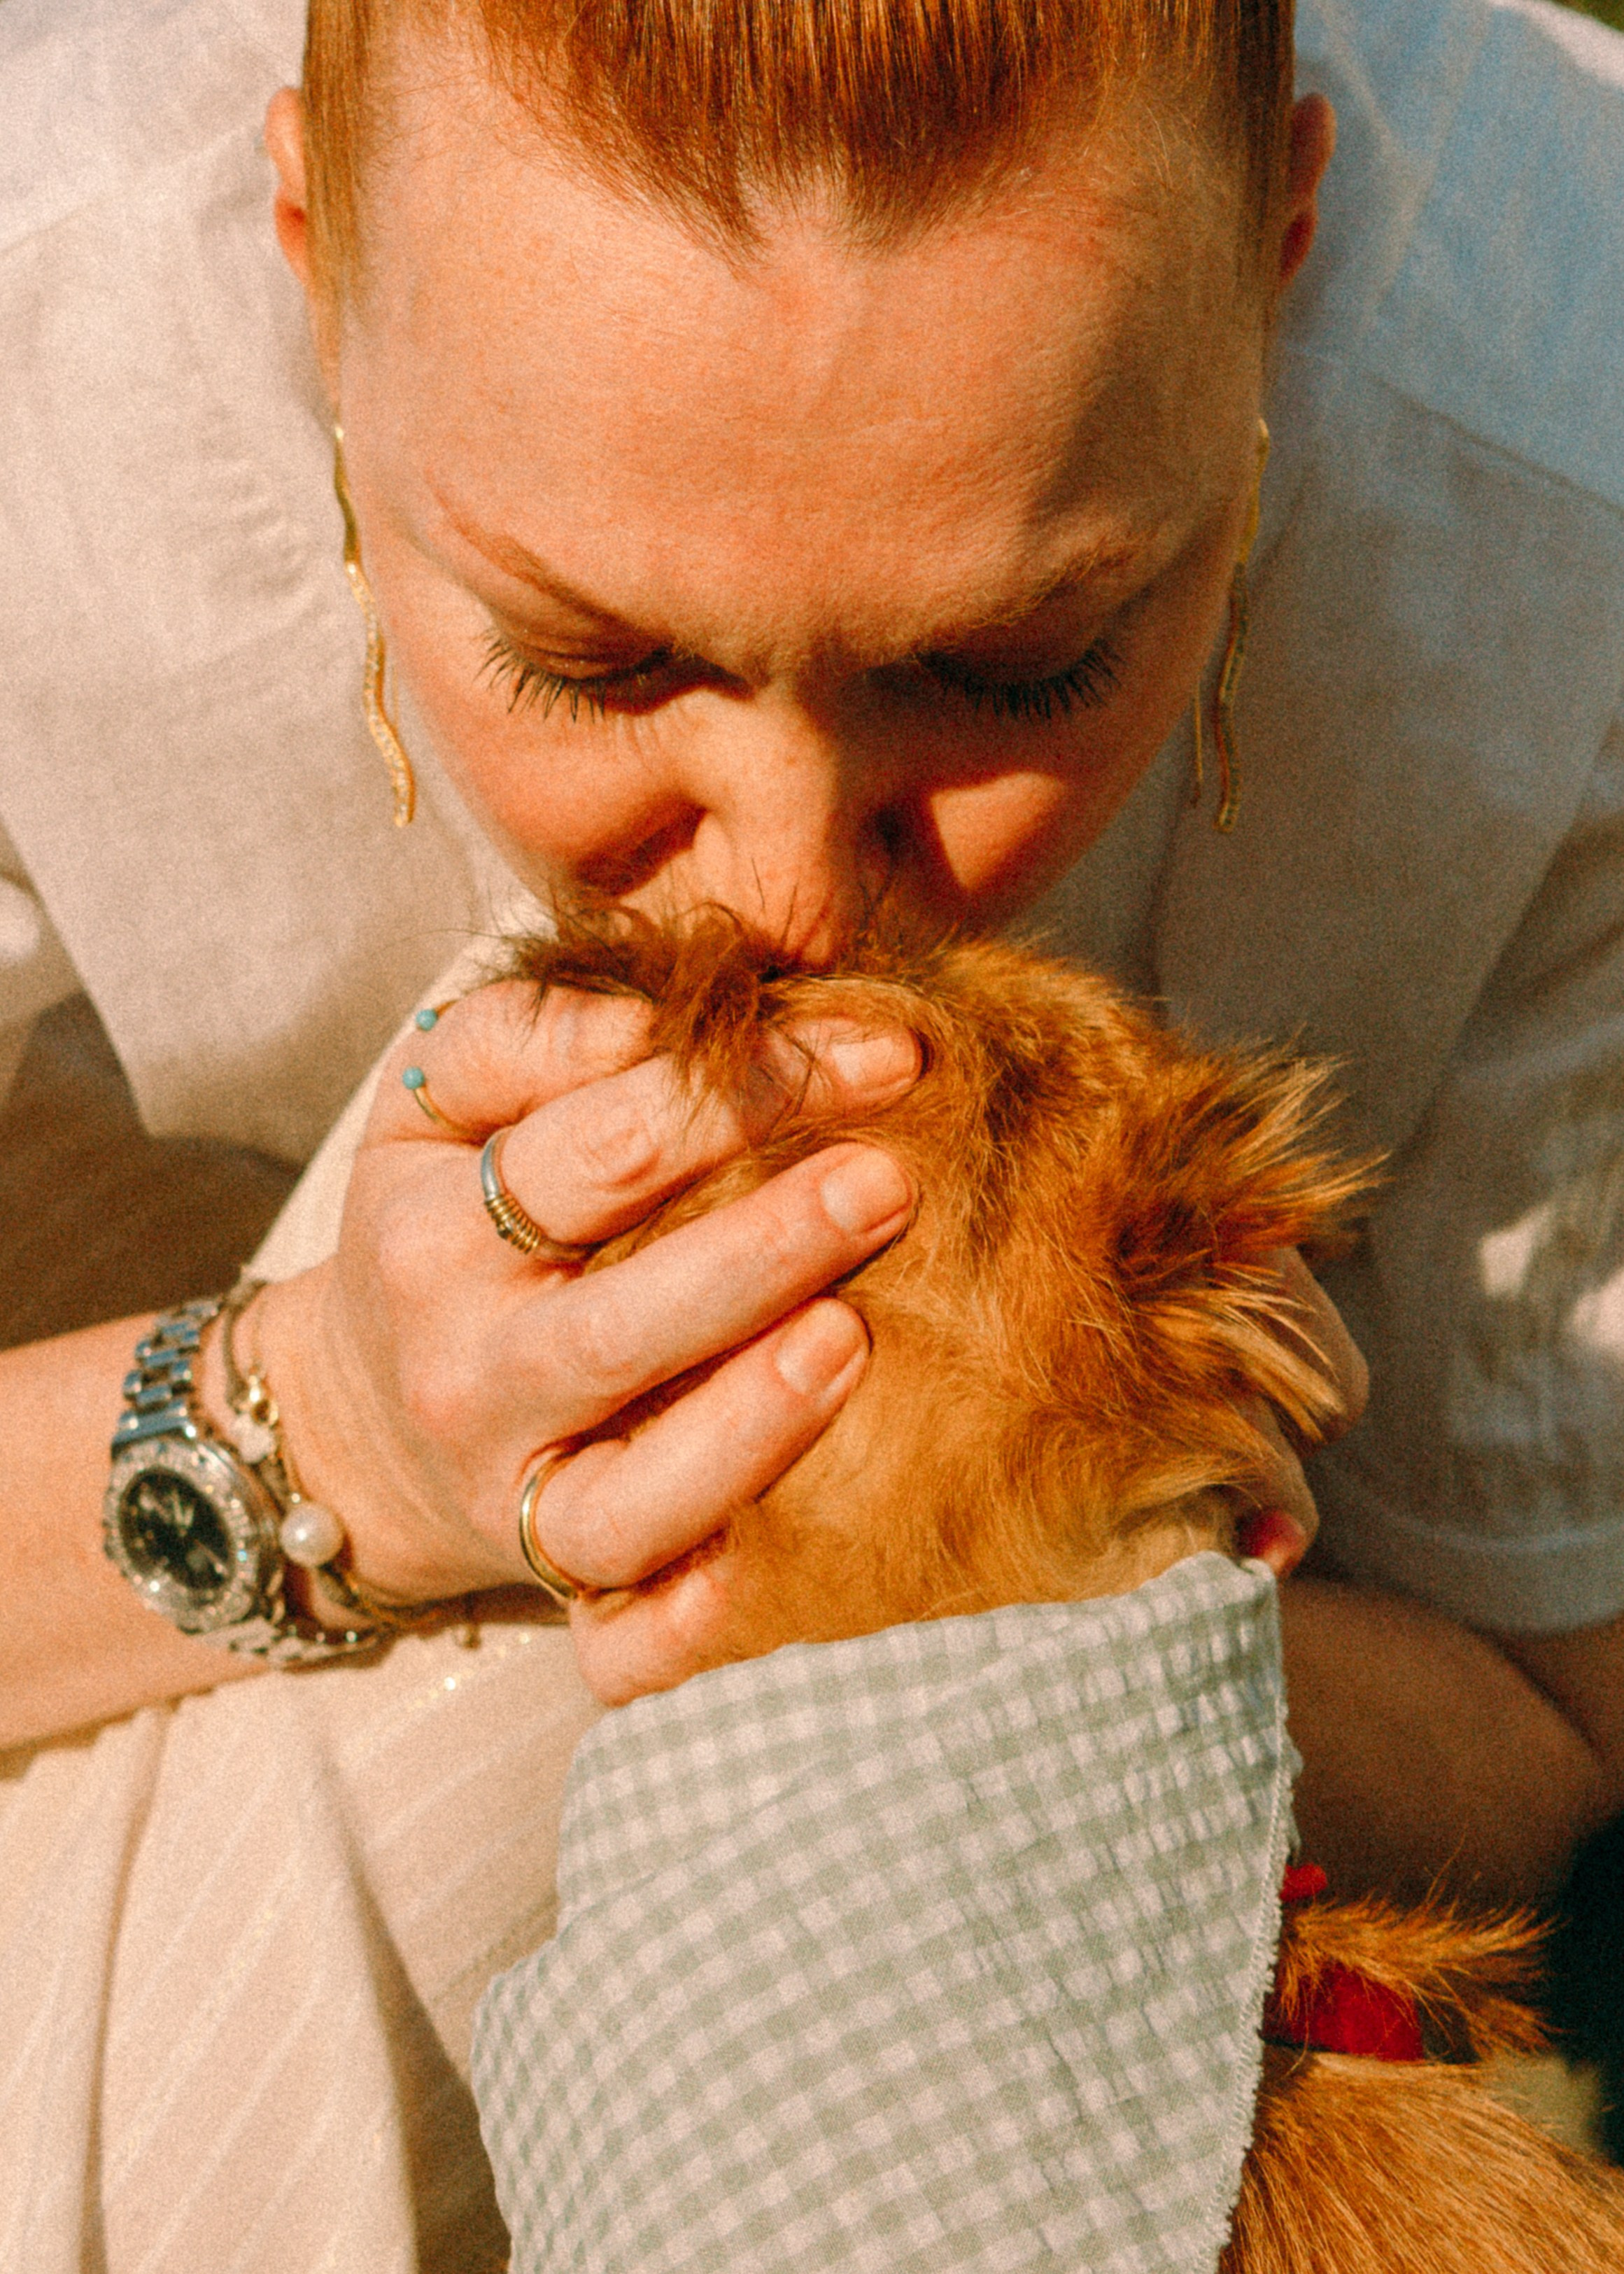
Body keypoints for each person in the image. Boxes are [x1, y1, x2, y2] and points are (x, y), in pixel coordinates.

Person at [1, 0, 1621, 2261]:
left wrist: (945, 1633)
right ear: (306, 250)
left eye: (1016, 663)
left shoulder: (1578, 493)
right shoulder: (28, 324)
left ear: (1282, 246)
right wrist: (330, 1435)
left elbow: (1545, 1712)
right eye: (591, 658)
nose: (782, 901)